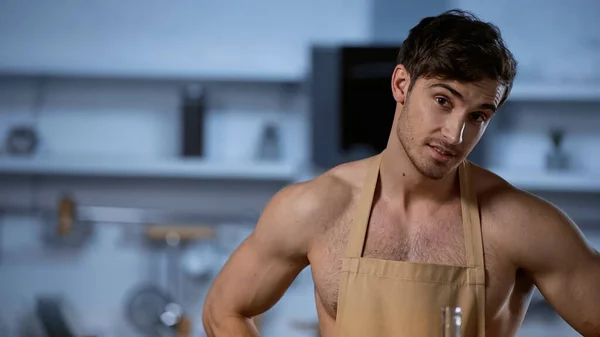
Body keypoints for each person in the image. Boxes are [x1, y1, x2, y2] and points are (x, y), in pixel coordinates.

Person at [202, 9, 600, 337]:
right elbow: (224, 311)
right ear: (401, 84)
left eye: (477, 116)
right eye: (443, 100)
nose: (455, 134)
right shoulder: (316, 206)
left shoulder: (522, 223)